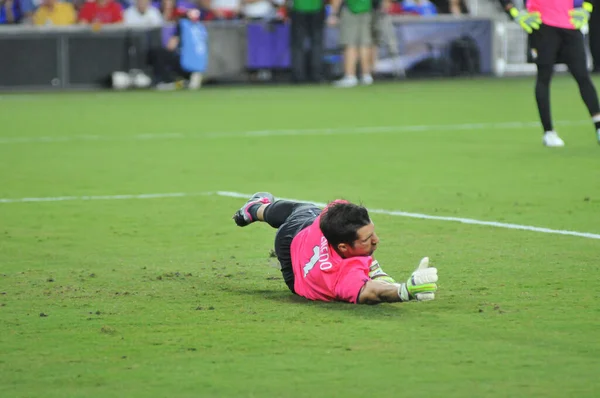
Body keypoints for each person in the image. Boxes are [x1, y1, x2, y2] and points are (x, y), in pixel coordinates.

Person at [232, 192, 439, 304]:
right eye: (368, 238)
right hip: (293, 251)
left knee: (307, 210)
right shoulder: (342, 277)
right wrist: (404, 291)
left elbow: (340, 208)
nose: (376, 240)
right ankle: (255, 209)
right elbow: (373, 293)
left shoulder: (337, 217)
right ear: (343, 247)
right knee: (301, 213)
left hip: (306, 237)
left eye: (373, 232)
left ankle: (257, 209)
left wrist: (379, 274)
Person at [499, 0, 600, 146]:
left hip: (570, 24)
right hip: (542, 26)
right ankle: (549, 132)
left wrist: (587, 9)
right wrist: (514, 13)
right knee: (544, 77)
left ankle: (598, 127)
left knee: (582, 76)